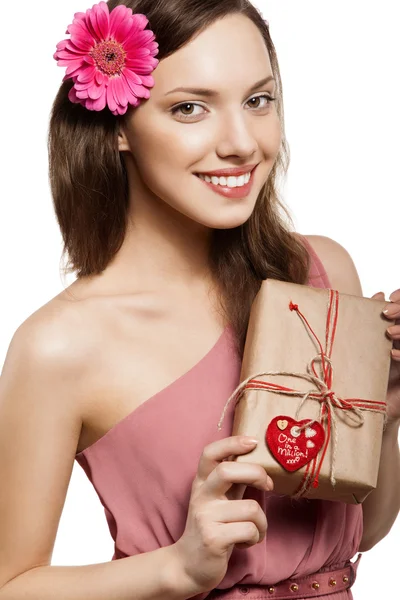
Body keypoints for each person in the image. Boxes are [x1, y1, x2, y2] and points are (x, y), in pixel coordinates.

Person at [0, 1, 399, 599]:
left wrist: (386, 414)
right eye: (190, 108)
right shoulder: (61, 346)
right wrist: (176, 569)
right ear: (116, 126)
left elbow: (359, 534)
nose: (241, 143)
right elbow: (13, 584)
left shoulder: (318, 274)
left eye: (258, 100)